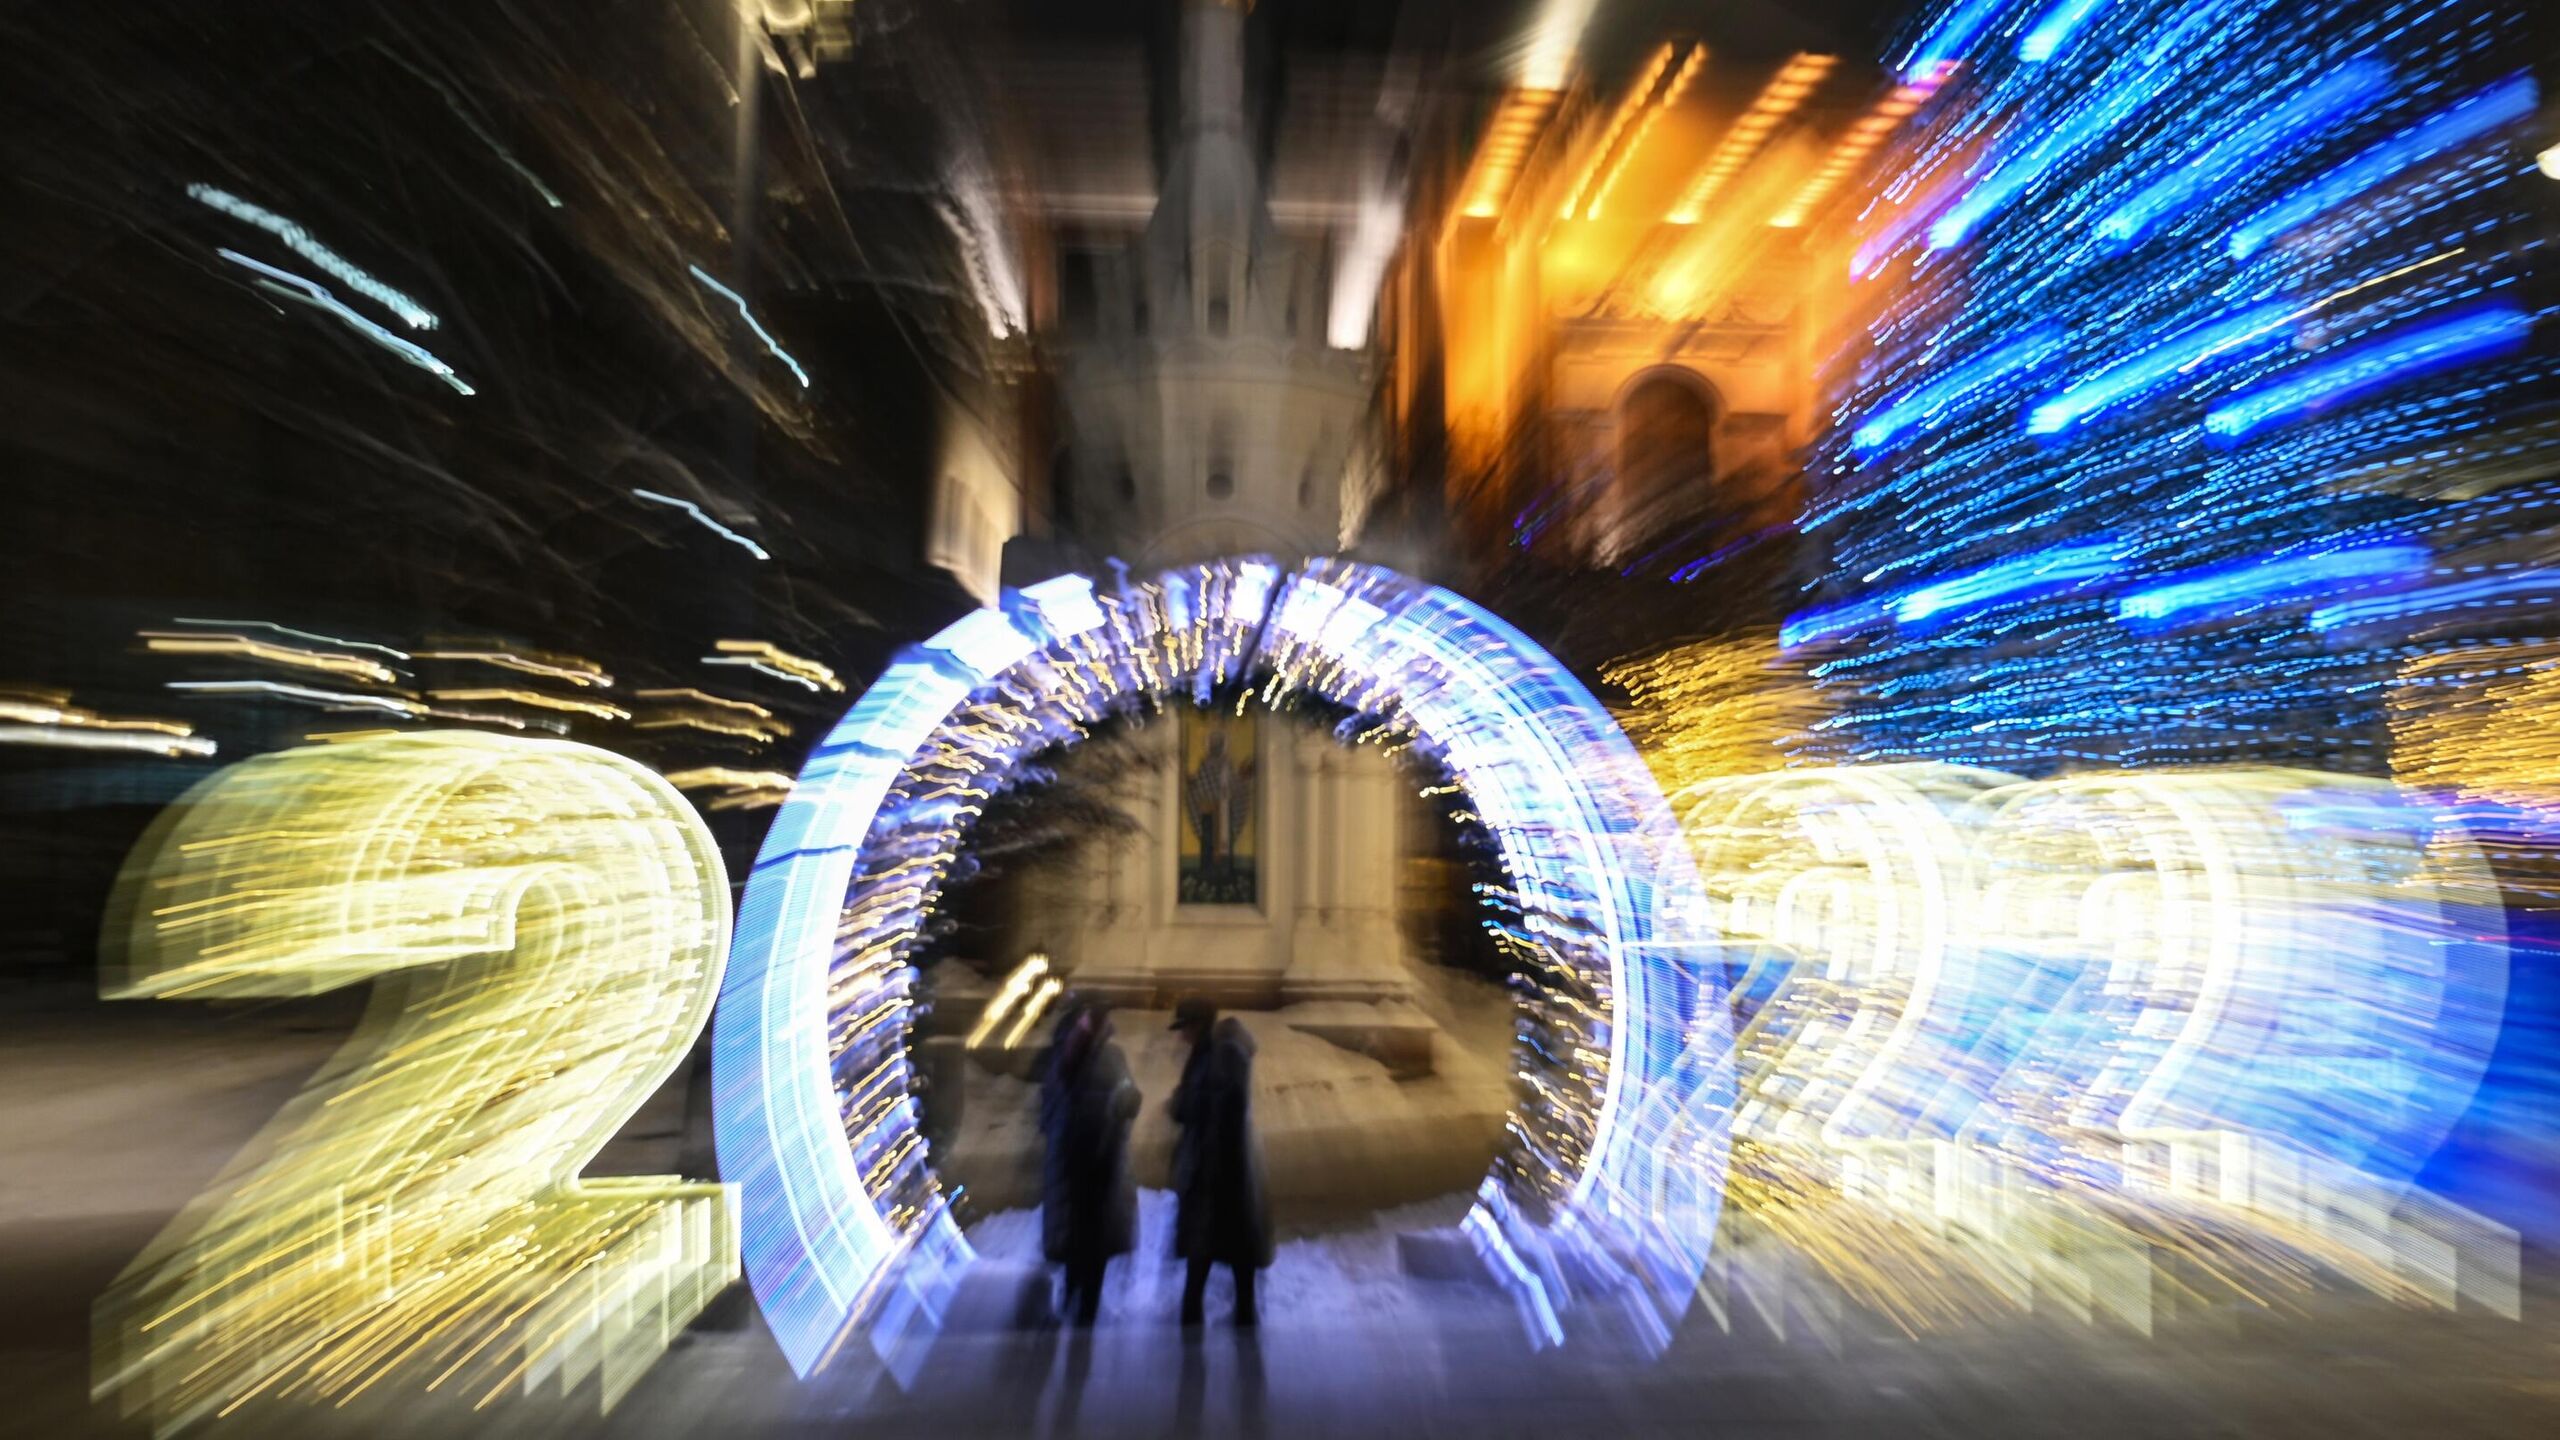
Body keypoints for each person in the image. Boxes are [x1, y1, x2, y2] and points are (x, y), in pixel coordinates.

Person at [1167, 997, 1272, 1328]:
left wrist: (1182, 1103)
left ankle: (1206, 1327)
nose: (1181, 1036)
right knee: (1226, 1252)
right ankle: (1233, 1321)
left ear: (1198, 1024)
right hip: (1218, 1169)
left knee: (1213, 1253)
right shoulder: (1212, 1053)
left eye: (1185, 1027)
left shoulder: (1220, 1055)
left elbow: (1211, 1106)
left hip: (1218, 1172)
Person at [1039, 1001, 1139, 1326]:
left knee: (1090, 1244)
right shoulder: (1067, 1056)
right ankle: (1076, 1306)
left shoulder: (1108, 1056)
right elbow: (1053, 1108)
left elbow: (1126, 1095)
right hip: (1078, 1164)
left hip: (1098, 1163)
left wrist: (1126, 1102)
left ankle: (1082, 1312)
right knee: (1081, 1243)